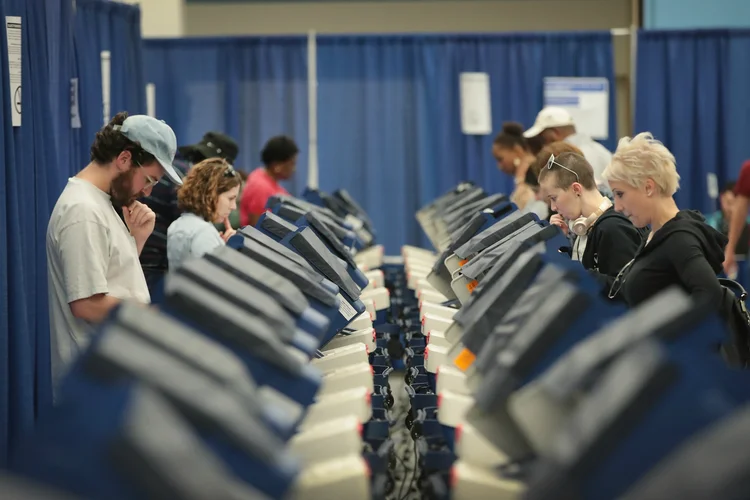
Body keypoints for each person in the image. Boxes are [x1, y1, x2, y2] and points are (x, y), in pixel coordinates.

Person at [46, 112, 182, 391]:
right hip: (93, 382)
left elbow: (112, 281)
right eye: (149, 180)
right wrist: (156, 315)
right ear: (124, 159)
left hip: (110, 373)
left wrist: (136, 240)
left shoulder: (101, 204)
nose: (147, 192)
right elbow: (86, 303)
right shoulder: (83, 210)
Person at [602, 132, 727, 310]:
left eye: (620, 194)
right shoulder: (656, 234)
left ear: (648, 187)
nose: (618, 207)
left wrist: (664, 335)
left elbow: (710, 295)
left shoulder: (678, 239)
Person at [139, 131, 239, 295]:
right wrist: (219, 248)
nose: (233, 206)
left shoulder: (176, 166)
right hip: (153, 268)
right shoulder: (181, 178)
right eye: (230, 198)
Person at [538, 151, 645, 279]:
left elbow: (623, 290)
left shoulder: (613, 228)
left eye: (554, 198)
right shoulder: (588, 226)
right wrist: (560, 243)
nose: (553, 207)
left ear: (576, 189)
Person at [167, 158, 241, 270]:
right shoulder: (203, 233)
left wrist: (220, 246)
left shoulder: (177, 224)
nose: (233, 206)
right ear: (210, 194)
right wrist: (228, 252)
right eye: (230, 198)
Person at [523, 106, 613, 194]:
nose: (543, 146)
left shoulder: (571, 159)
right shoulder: (602, 151)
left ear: (555, 133)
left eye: (543, 138)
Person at [492, 122, 549, 219]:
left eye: (500, 159)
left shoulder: (535, 172)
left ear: (517, 150)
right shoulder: (526, 173)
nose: (499, 166)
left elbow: (523, 212)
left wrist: (520, 181)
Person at [240, 135, 298, 227]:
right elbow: (258, 228)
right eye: (292, 163)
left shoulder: (266, 179)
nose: (294, 169)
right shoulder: (260, 187)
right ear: (277, 166)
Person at [707, 181, 750, 257]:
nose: (732, 209)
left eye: (736, 204)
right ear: (722, 199)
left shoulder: (748, 224)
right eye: (729, 203)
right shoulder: (710, 223)